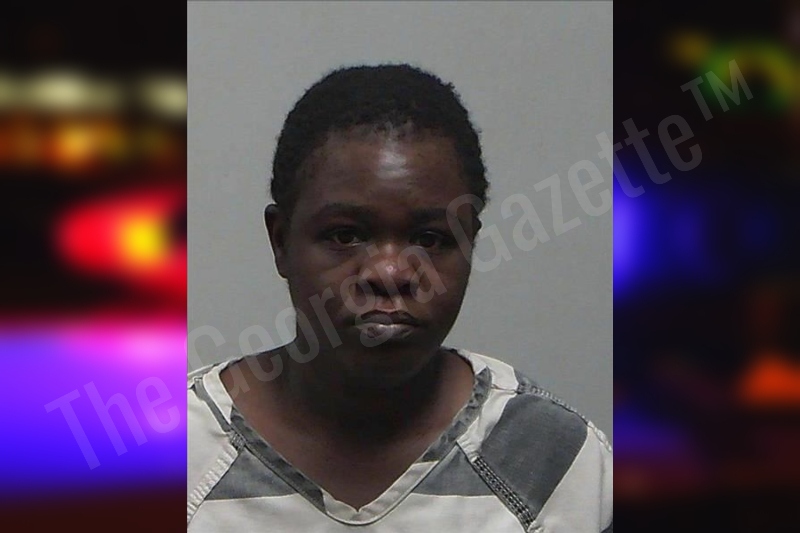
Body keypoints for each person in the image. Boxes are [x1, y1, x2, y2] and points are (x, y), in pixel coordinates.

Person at [187, 64, 612, 532]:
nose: (390, 273)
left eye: (430, 239)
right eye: (345, 235)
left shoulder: (554, 463)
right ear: (281, 240)